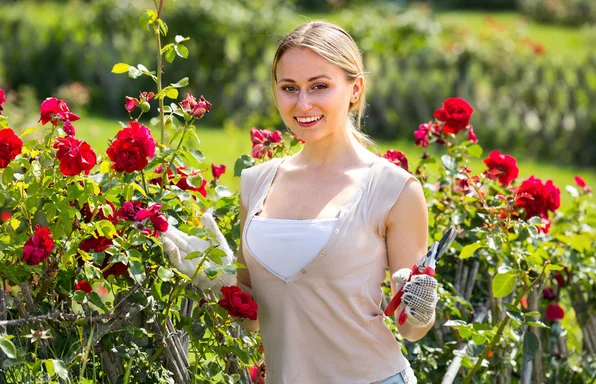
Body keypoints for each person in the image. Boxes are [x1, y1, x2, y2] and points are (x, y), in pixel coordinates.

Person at [164, 20, 437, 384]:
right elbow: (252, 316)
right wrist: (217, 277)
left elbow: (413, 330)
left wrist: (420, 308)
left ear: (355, 90)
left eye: (319, 86)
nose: (302, 103)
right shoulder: (256, 183)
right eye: (289, 88)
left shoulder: (393, 189)